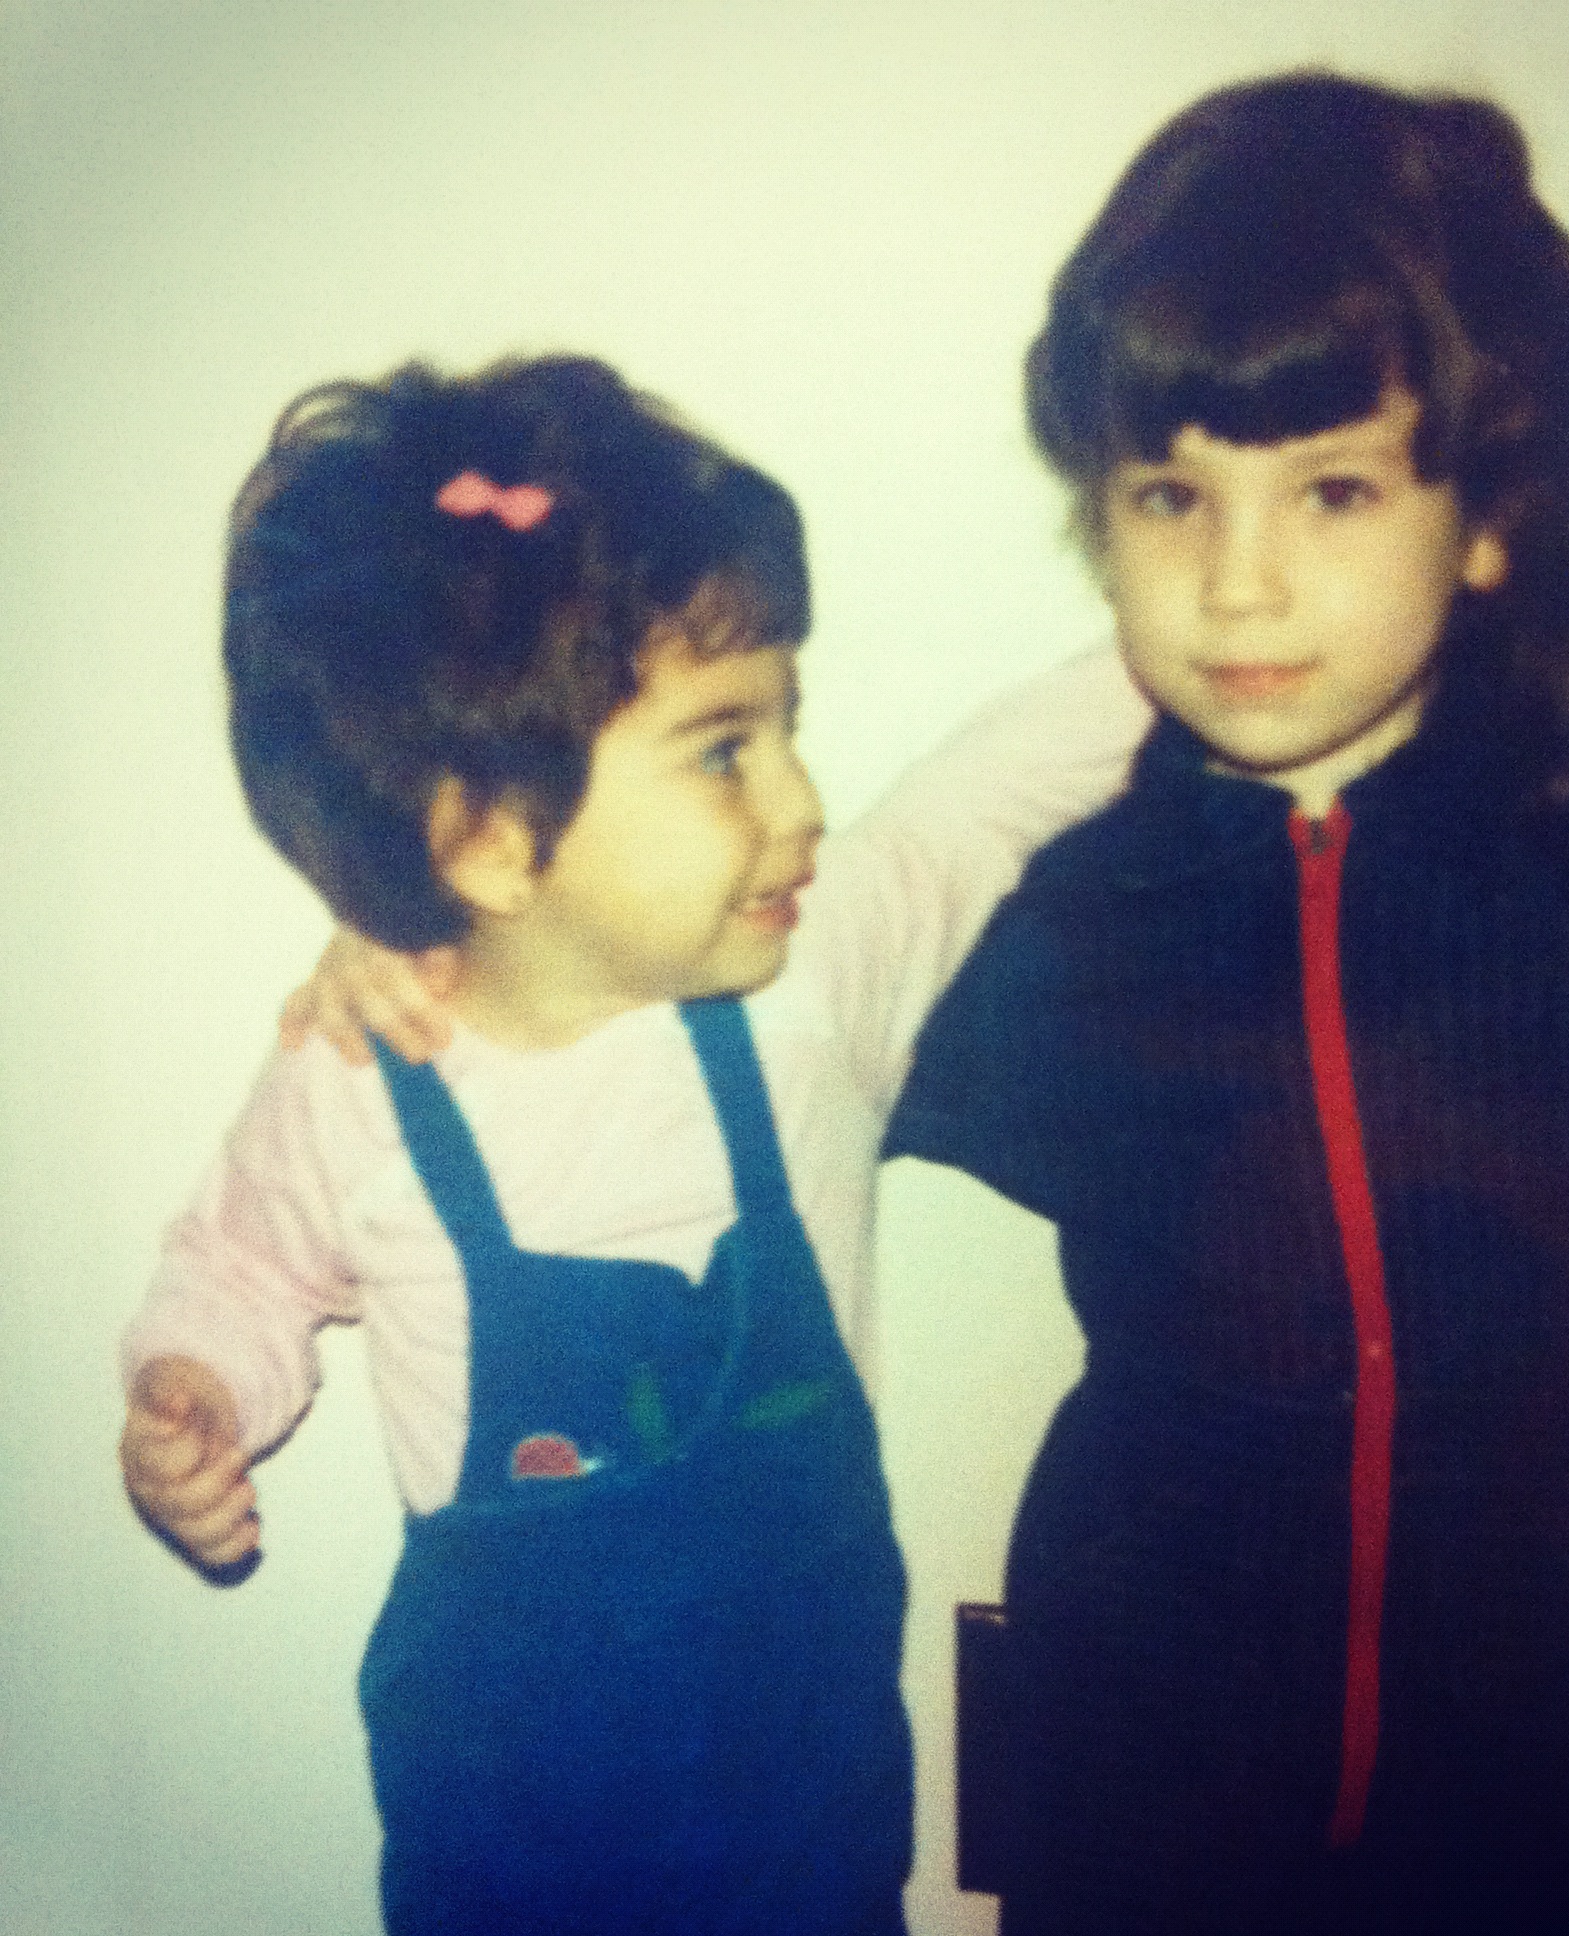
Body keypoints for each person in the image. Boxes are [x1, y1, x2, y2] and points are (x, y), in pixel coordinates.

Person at [880, 73, 1569, 1934]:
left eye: (1335, 489)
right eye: (1172, 495)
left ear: (1490, 515)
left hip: (1501, 1742)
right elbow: (780, 1032)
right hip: (1132, 1747)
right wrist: (454, 959)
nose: (1238, 582)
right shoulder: (1080, 891)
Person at [118, 353, 1147, 1934]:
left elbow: (985, 797)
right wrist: (194, 1391)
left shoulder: (813, 986)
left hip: (814, 1857)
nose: (803, 803)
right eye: (726, 747)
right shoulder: (361, 1077)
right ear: (486, 840)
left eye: (786, 728)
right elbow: (241, 1266)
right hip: (502, 1875)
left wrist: (1198, 630)